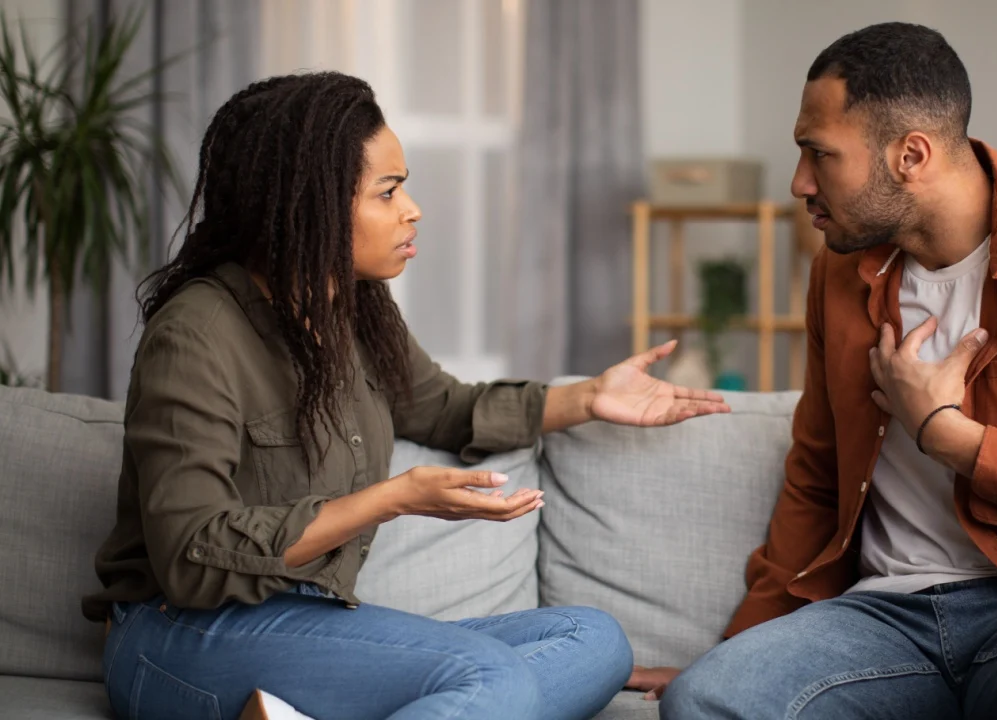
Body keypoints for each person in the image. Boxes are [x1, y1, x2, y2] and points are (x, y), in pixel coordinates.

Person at [82, 71, 730, 720]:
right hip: (179, 638)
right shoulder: (196, 333)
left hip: (306, 625)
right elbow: (192, 555)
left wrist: (589, 397)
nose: (411, 209)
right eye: (388, 192)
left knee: (595, 641)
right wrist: (390, 499)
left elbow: (444, 408)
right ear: (310, 202)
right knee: (494, 679)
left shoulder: (352, 307)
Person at [628, 22, 997, 719]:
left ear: (911, 154)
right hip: (887, 628)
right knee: (708, 699)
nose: (799, 183)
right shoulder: (839, 275)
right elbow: (817, 473)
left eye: (819, 155)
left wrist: (955, 439)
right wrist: (738, 650)